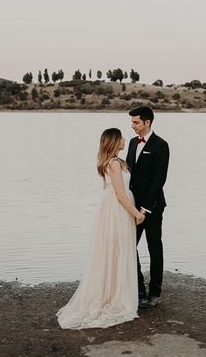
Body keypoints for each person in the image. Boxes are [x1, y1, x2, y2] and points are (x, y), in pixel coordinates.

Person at [57, 128, 147, 329]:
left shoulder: (114, 162)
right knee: (119, 250)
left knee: (115, 250)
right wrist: (137, 214)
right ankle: (115, 297)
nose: (125, 139)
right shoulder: (114, 163)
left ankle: (115, 291)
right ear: (114, 141)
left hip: (114, 209)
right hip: (118, 209)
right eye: (121, 137)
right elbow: (120, 195)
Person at [126, 106, 170, 308]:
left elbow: (159, 179)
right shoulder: (133, 143)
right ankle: (138, 289)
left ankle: (155, 291)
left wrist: (144, 208)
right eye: (132, 122)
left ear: (147, 122)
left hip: (152, 207)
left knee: (154, 247)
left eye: (136, 122)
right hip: (133, 206)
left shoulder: (161, 145)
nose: (132, 126)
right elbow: (130, 175)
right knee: (129, 246)